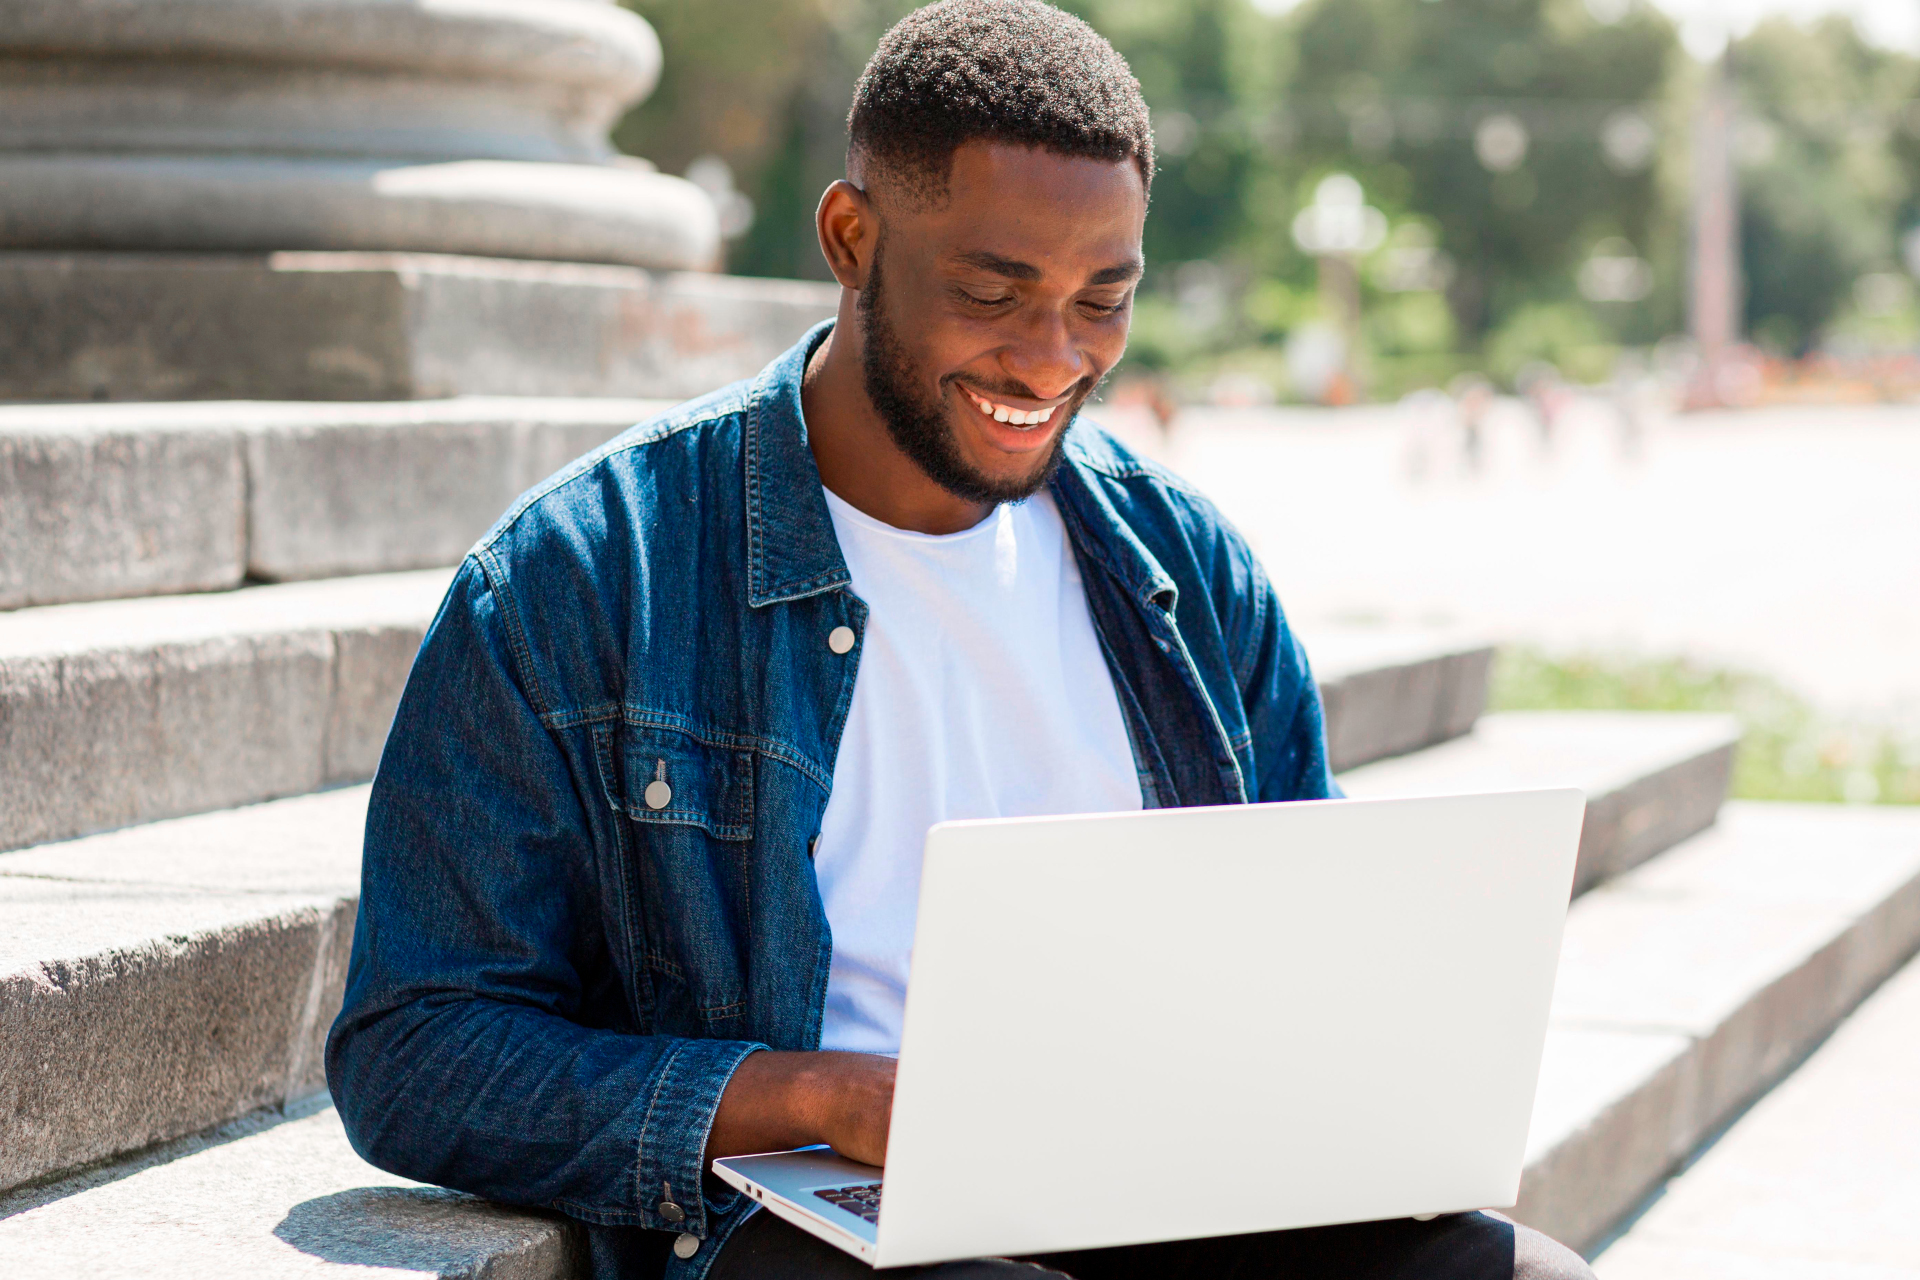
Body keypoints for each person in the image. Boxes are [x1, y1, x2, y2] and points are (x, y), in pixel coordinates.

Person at [327, 3, 1597, 1278]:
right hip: (815, 1225)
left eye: (1104, 300)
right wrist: (819, 1097)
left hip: (1169, 1188)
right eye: (994, 291)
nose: (1052, 358)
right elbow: (416, 1044)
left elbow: (1304, 975)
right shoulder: (590, 574)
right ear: (851, 237)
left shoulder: (1187, 570)